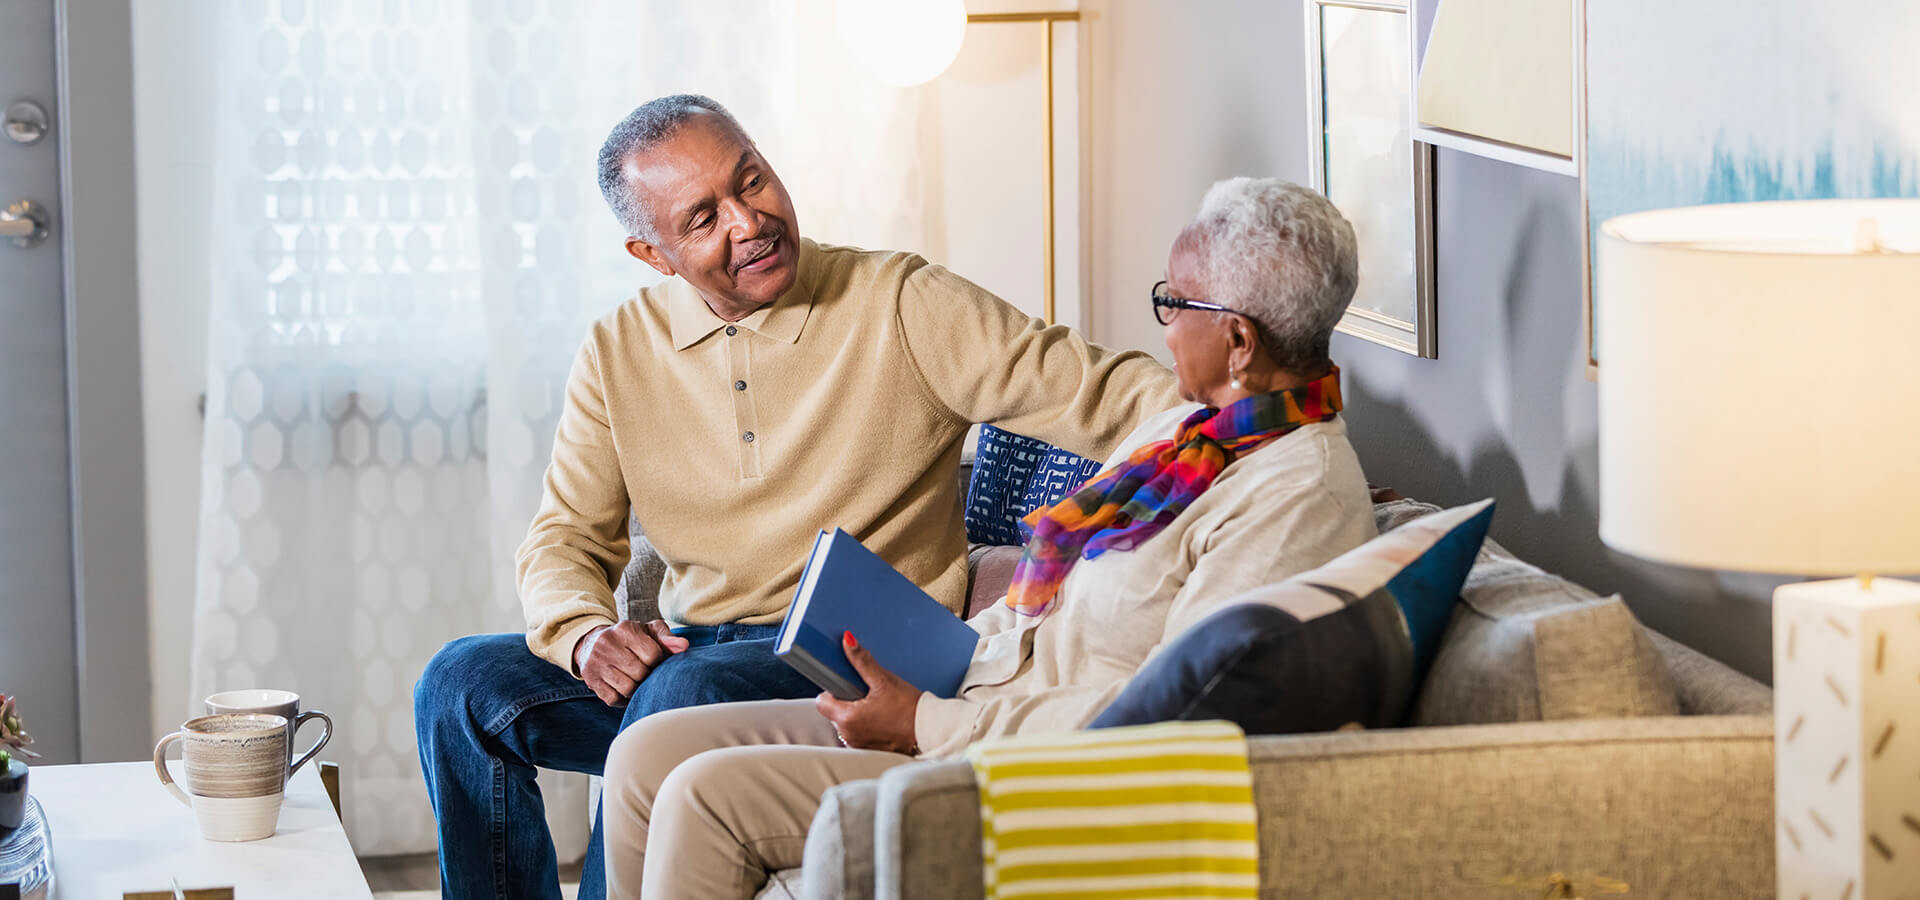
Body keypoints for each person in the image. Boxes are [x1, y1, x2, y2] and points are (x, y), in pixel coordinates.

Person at [411, 94, 1180, 899]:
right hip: (700, 646)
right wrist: (581, 636)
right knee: (461, 683)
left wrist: (1243, 414)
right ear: (654, 254)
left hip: (860, 652)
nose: (750, 221)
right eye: (704, 218)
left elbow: (1097, 390)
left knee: (678, 695)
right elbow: (565, 534)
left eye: (753, 180)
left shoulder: (897, 300)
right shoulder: (617, 351)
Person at [596, 176, 1379, 899]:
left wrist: (922, 724)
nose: (1164, 326)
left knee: (704, 795)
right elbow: (1048, 601)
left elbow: (1175, 725)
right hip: (970, 692)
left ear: (1238, 341)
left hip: (1026, 766)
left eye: (1173, 303)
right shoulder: (1190, 432)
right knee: (642, 756)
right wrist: (921, 664)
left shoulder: (1294, 497)